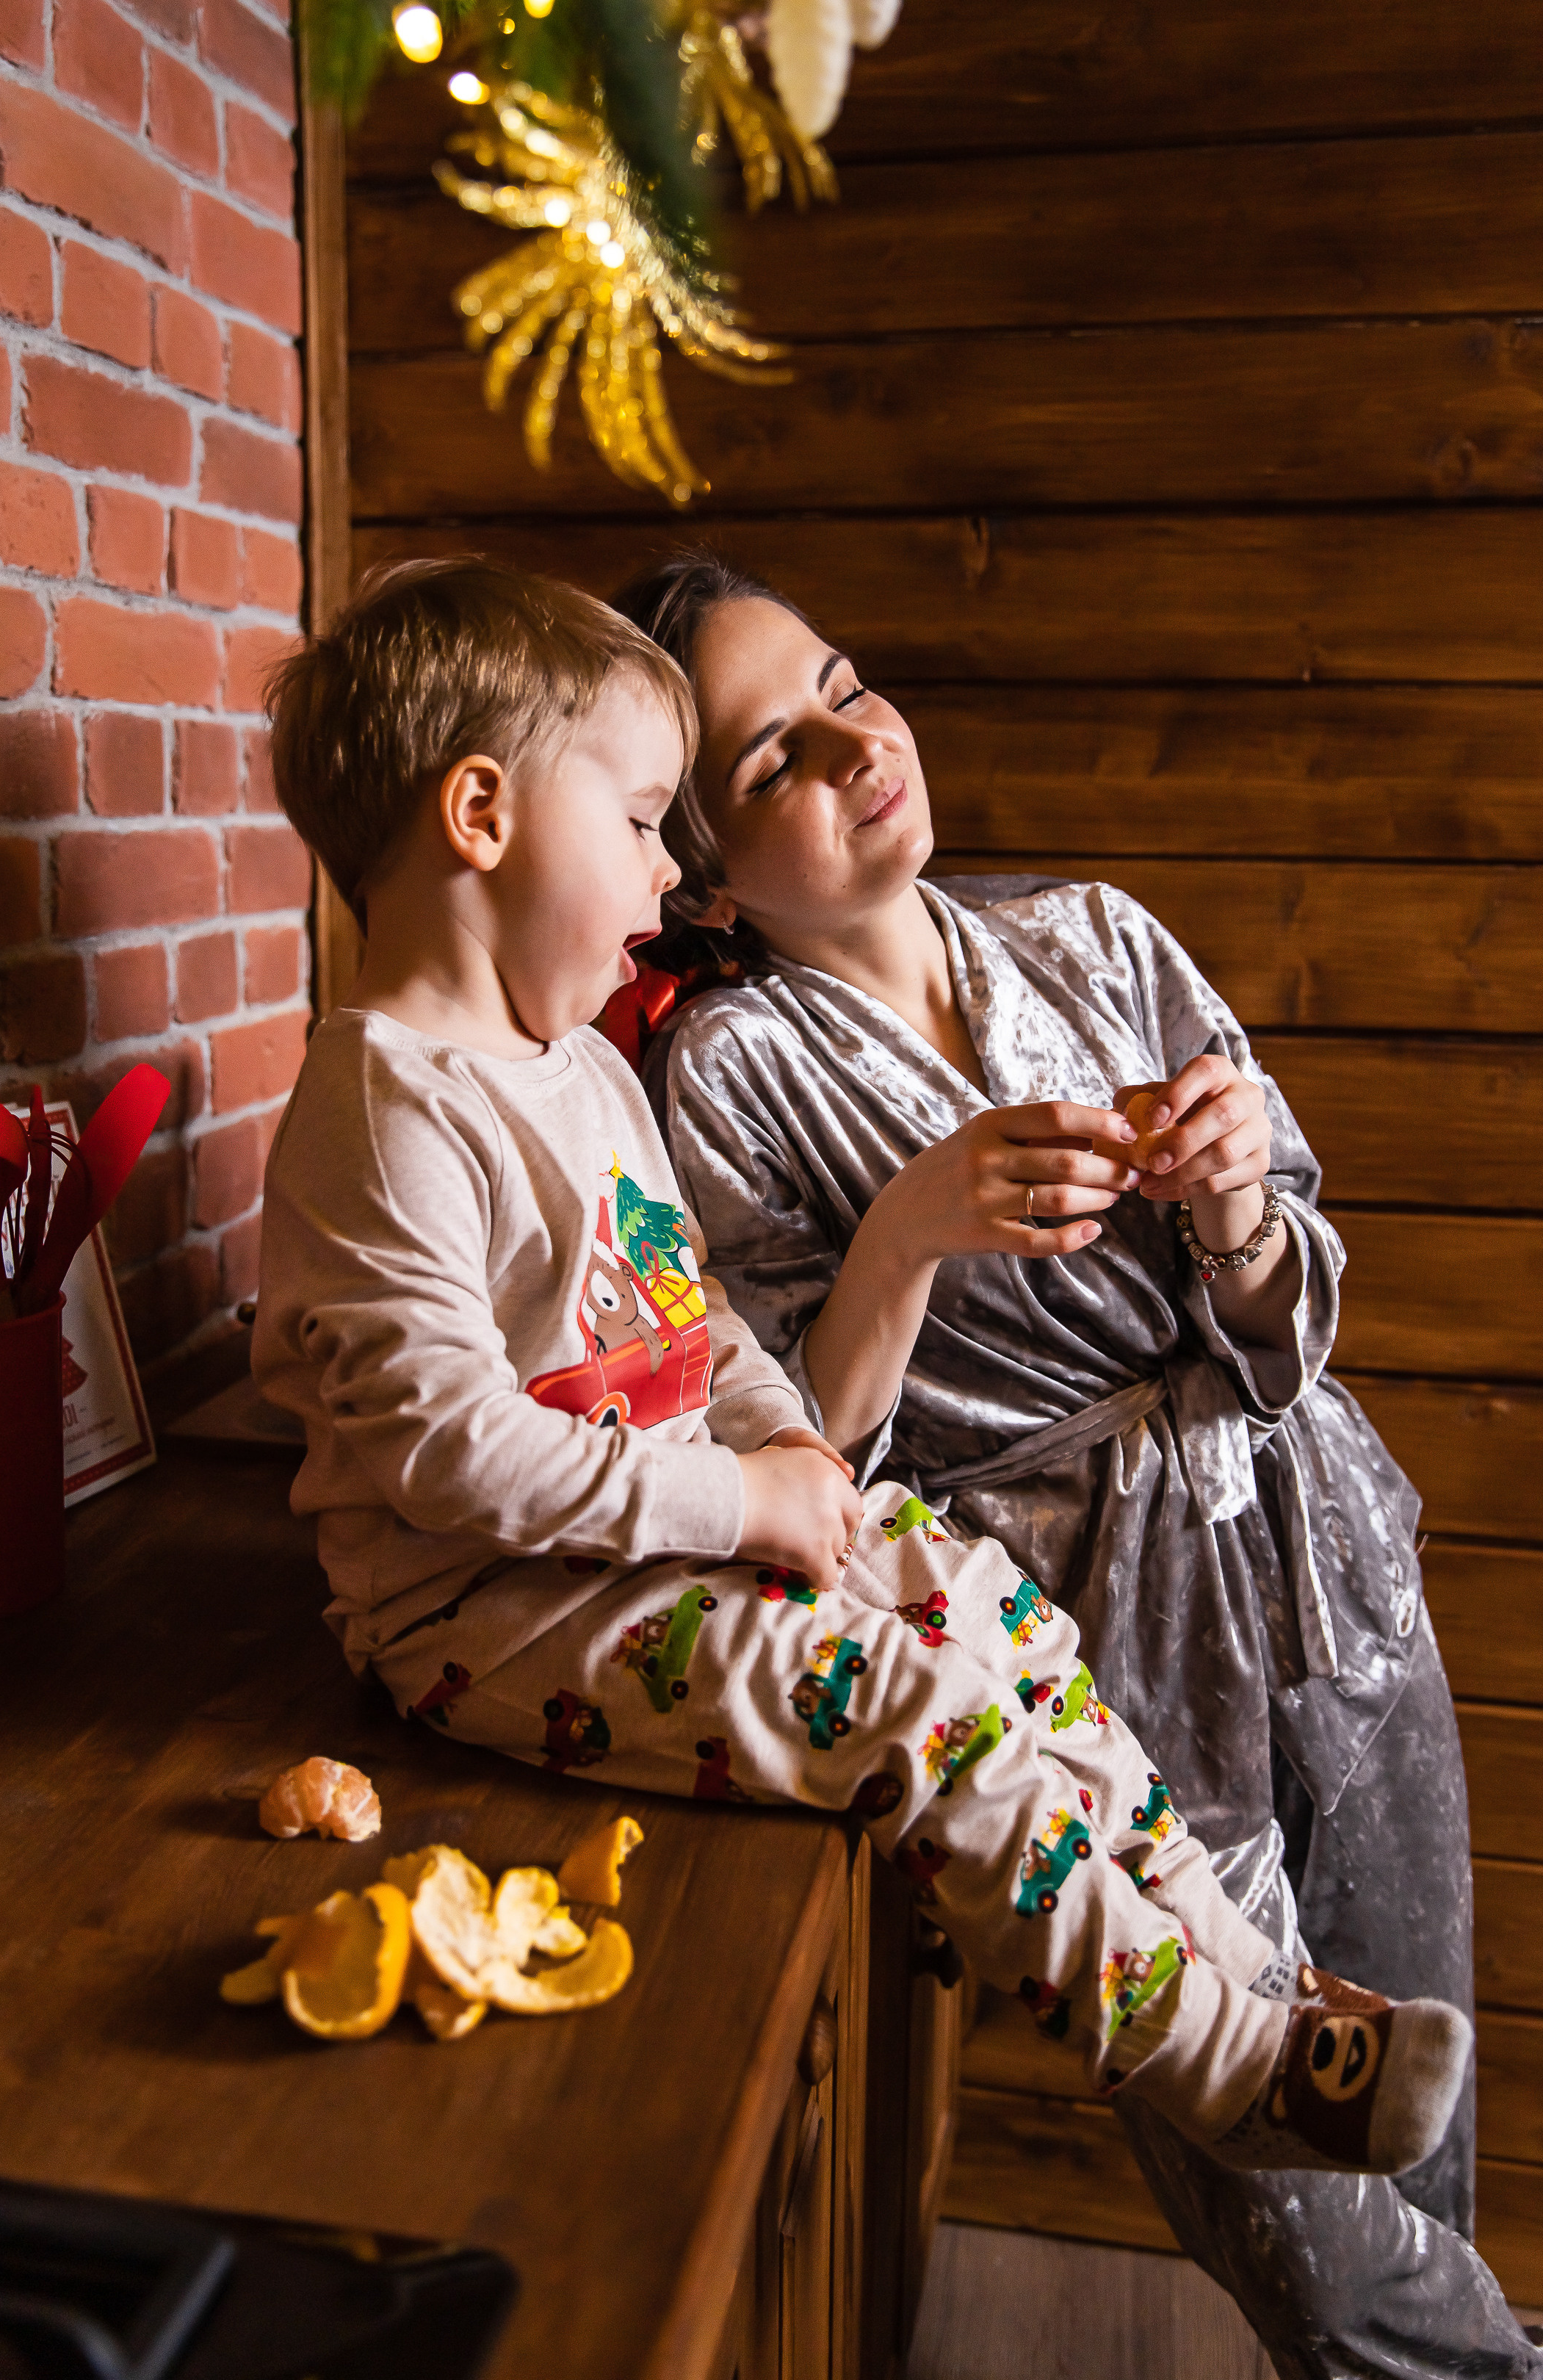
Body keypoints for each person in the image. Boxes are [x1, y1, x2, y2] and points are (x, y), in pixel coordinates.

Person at [249, 555, 1466, 2190]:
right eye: (641, 822)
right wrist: (740, 1499)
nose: (657, 879)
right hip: (491, 1606)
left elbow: (699, 1330)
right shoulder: (385, 1108)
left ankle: (1253, 1976)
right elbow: (451, 1457)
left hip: (659, 1531)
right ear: (481, 816)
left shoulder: (580, 1073)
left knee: (992, 1617)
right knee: (905, 1702)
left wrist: (790, 1453)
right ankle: (1216, 2061)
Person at [613, 552, 1536, 2380]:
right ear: (703, 874)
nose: (855, 745)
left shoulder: (1097, 938)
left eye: (846, 687)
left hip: (1322, 1558)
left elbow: (1288, 1304)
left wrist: (1243, 1204)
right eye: (775, 755)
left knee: (1414, 2097)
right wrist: (907, 1231)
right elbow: (803, 1456)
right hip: (1102, 1670)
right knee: (1297, 2215)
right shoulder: (728, 1071)